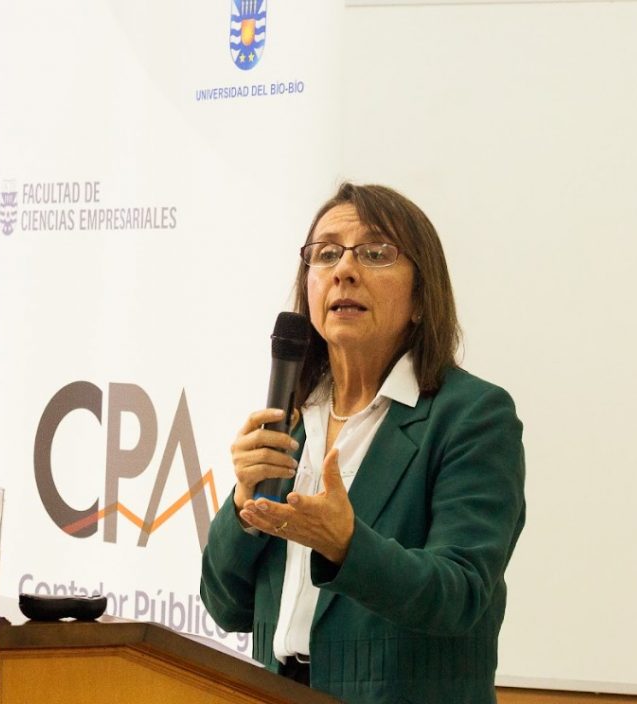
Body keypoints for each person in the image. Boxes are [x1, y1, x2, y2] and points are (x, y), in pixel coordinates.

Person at [200, 183, 526, 704]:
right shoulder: (292, 418)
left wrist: (346, 544)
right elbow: (226, 606)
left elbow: (460, 594)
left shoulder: (471, 416)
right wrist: (242, 508)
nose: (344, 270)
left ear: (421, 298)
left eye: (375, 253)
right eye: (326, 253)